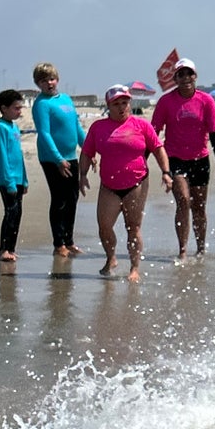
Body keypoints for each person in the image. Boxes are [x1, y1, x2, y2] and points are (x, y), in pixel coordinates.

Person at [79, 86, 171, 282]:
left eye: (125, 103)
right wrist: (83, 175)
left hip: (136, 184)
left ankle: (134, 268)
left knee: (133, 227)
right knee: (104, 227)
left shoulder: (141, 125)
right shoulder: (98, 127)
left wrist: (165, 173)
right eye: (116, 104)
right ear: (108, 106)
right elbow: (87, 152)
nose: (122, 107)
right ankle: (111, 258)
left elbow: (158, 148)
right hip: (109, 186)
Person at [151, 58, 215, 262]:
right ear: (175, 78)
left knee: (199, 206)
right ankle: (182, 250)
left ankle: (200, 249)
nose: (185, 78)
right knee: (183, 201)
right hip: (175, 159)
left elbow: (214, 133)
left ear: (195, 76)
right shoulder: (166, 102)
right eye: (180, 74)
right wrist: (147, 160)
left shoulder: (206, 100)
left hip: (200, 159)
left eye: (189, 73)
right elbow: (154, 133)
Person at [31, 62, 85, 259]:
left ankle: (69, 241)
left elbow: (76, 126)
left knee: (73, 198)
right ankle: (58, 243)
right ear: (38, 84)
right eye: (44, 81)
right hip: (52, 159)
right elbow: (44, 134)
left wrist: (88, 148)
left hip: (71, 156)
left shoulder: (66, 99)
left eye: (51, 79)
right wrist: (58, 159)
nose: (49, 83)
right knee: (60, 199)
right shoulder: (41, 104)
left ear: (57, 79)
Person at [0, 89, 29, 269]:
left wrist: (25, 179)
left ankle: (11, 248)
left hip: (18, 177)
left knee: (17, 214)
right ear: (4, 108)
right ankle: (4, 249)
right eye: (16, 108)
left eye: (20, 108)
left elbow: (19, 155)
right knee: (11, 212)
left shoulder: (14, 127)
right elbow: (2, 157)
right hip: (7, 179)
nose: (19, 111)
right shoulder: (0, 128)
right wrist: (9, 182)